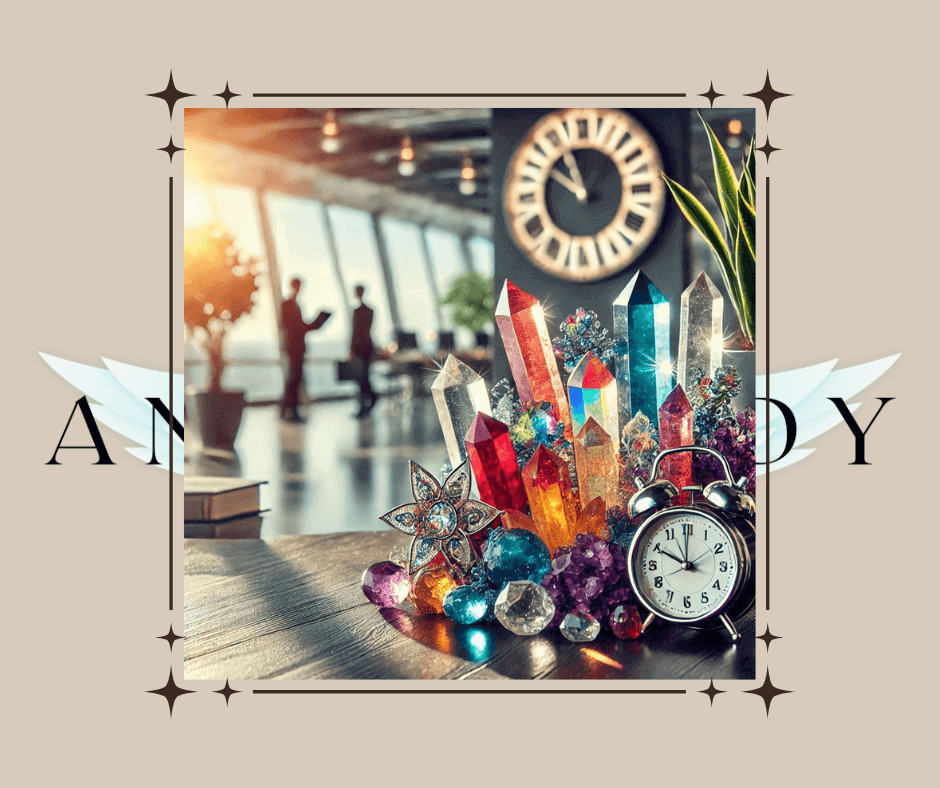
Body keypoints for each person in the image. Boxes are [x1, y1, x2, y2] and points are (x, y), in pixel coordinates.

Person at [281, 277, 330, 422]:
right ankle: (290, 411)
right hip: (293, 348)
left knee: (294, 379)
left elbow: (299, 326)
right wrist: (312, 325)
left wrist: (315, 324)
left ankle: (287, 410)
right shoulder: (287, 304)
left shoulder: (296, 304)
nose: (299, 289)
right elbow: (291, 327)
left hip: (298, 348)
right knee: (294, 380)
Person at [350, 284, 376, 418]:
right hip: (367, 347)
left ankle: (367, 402)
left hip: (360, 349)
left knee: (361, 378)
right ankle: (369, 400)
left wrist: (351, 350)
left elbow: (355, 332)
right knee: (364, 377)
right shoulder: (370, 311)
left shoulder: (357, 311)